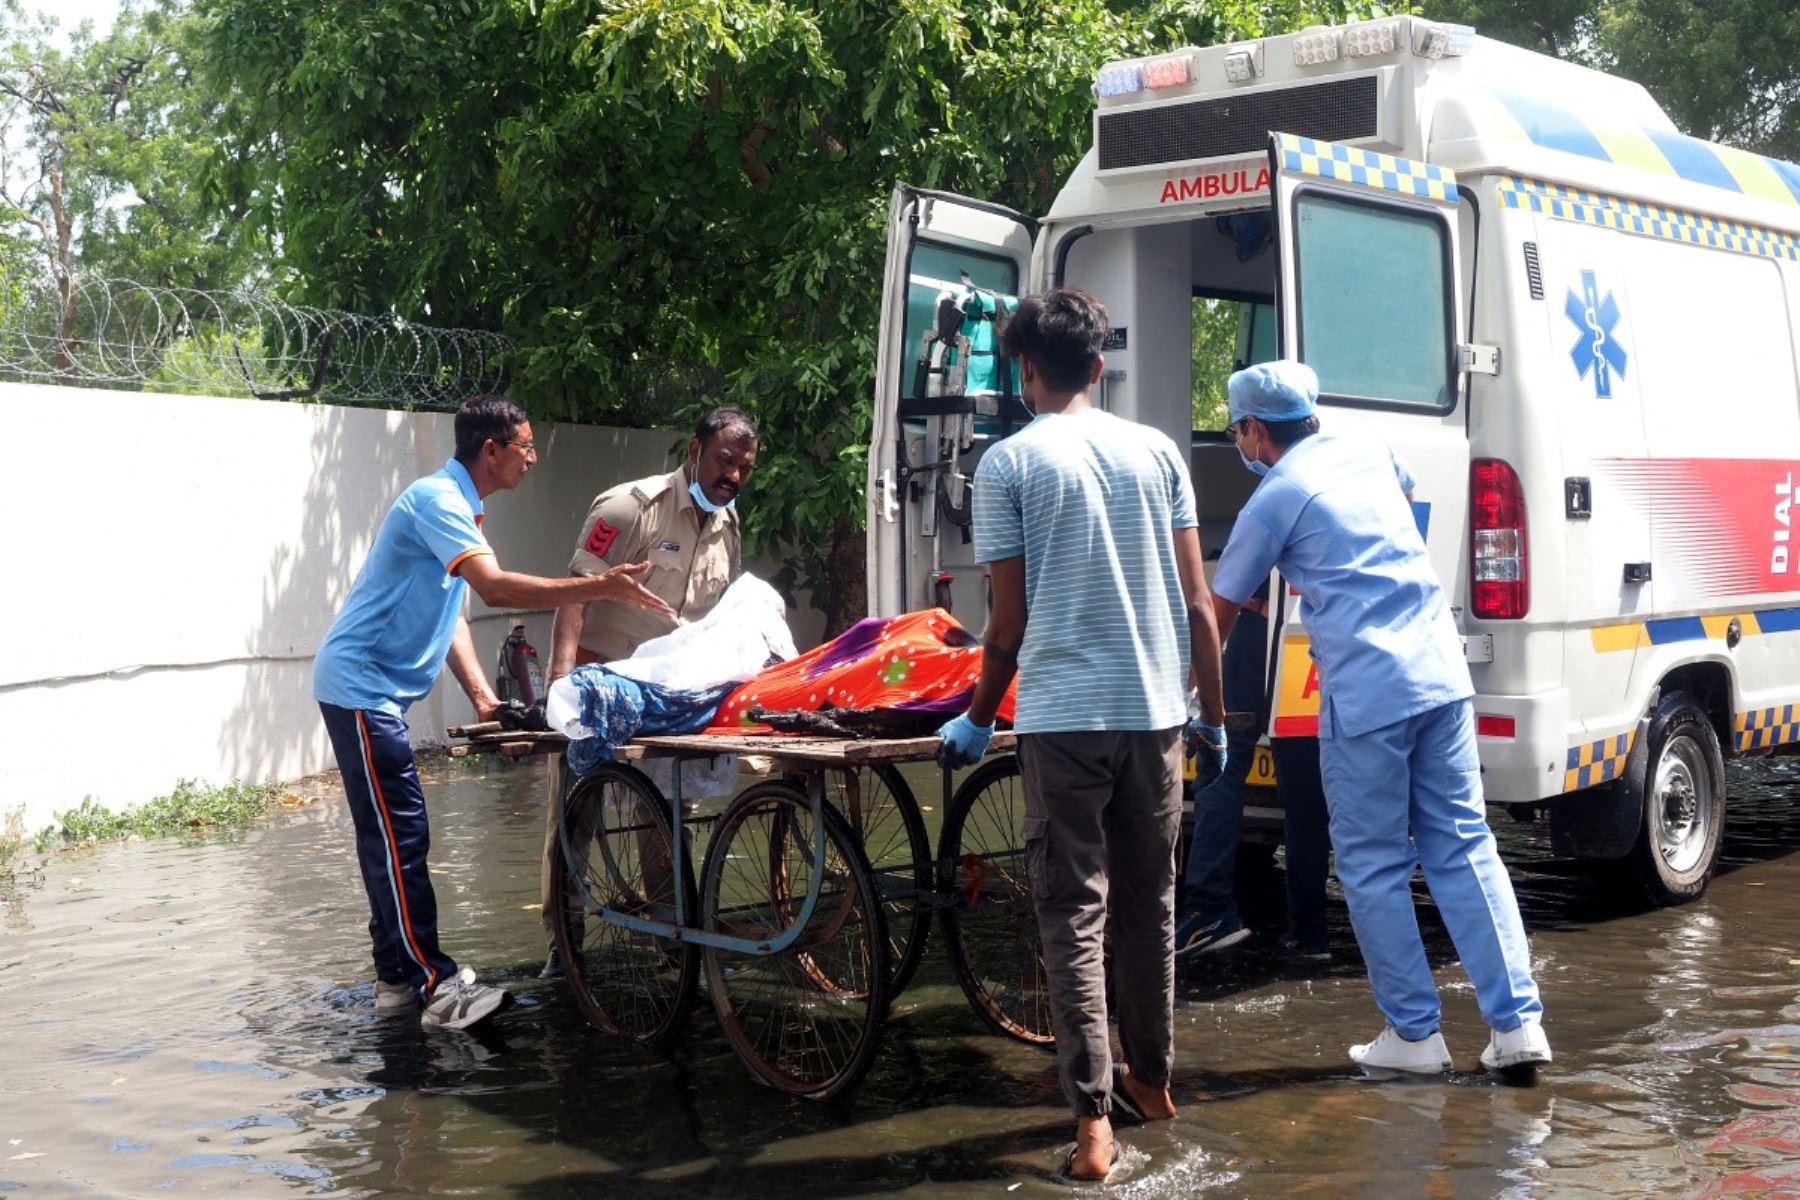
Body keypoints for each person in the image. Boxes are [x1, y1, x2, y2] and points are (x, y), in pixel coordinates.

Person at [935, 287, 1227, 1180]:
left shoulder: (1009, 466)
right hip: (1155, 719)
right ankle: (1157, 1083)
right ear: (1099, 368)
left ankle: (1093, 1123)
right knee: (1152, 907)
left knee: (1074, 912)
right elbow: (1200, 607)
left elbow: (1007, 624)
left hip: (1061, 722)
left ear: (1026, 373)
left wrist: (978, 718)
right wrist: (1211, 719)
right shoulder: (1158, 452)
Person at [1209, 360, 1550, 1078]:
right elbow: (1399, 500)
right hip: (1441, 674)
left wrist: (1194, 702)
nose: (1238, 442)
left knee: (1371, 865)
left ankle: (1415, 1036)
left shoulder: (1275, 498)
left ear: (1256, 430)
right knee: (1464, 846)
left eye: (1237, 429)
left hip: (1367, 694)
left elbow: (1220, 609)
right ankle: (1517, 1025)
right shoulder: (1370, 449)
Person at [313, 394, 675, 1031]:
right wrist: (603, 584)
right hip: (361, 690)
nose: (532, 459)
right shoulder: (438, 500)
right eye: (526, 447)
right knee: (401, 842)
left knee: (392, 839)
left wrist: (483, 697)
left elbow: (452, 611)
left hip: (372, 694)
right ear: (491, 451)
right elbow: (496, 588)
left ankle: (396, 979)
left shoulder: (459, 511)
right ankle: (435, 984)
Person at [537, 407, 759, 974]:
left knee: (666, 810)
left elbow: (719, 621)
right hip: (599, 683)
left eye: (744, 468)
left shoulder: (727, 526)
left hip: (666, 694)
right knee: (574, 820)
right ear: (695, 450)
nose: (732, 475)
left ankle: (672, 936)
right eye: (724, 460)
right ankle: (564, 948)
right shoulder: (630, 507)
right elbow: (574, 591)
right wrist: (561, 687)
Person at [1176, 578, 1335, 967]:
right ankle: (1310, 932)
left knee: (1220, 767)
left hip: (1257, 638)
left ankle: (1210, 912)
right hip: (1311, 638)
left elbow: (1226, 596)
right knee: (1303, 787)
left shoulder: (1266, 514)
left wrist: (1189, 685)